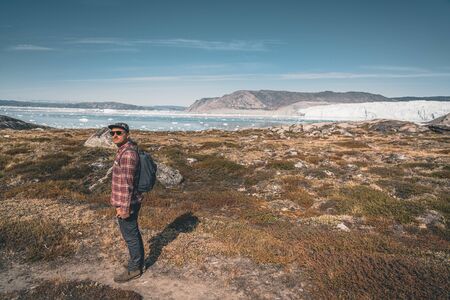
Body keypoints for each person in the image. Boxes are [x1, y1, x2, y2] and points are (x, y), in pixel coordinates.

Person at [108, 122, 145, 283]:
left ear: (127, 135)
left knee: (131, 236)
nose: (115, 135)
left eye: (119, 133)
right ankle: (135, 262)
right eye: (112, 133)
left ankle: (135, 269)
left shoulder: (128, 154)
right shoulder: (122, 151)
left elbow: (128, 185)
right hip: (125, 202)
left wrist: (124, 208)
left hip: (127, 204)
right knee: (131, 234)